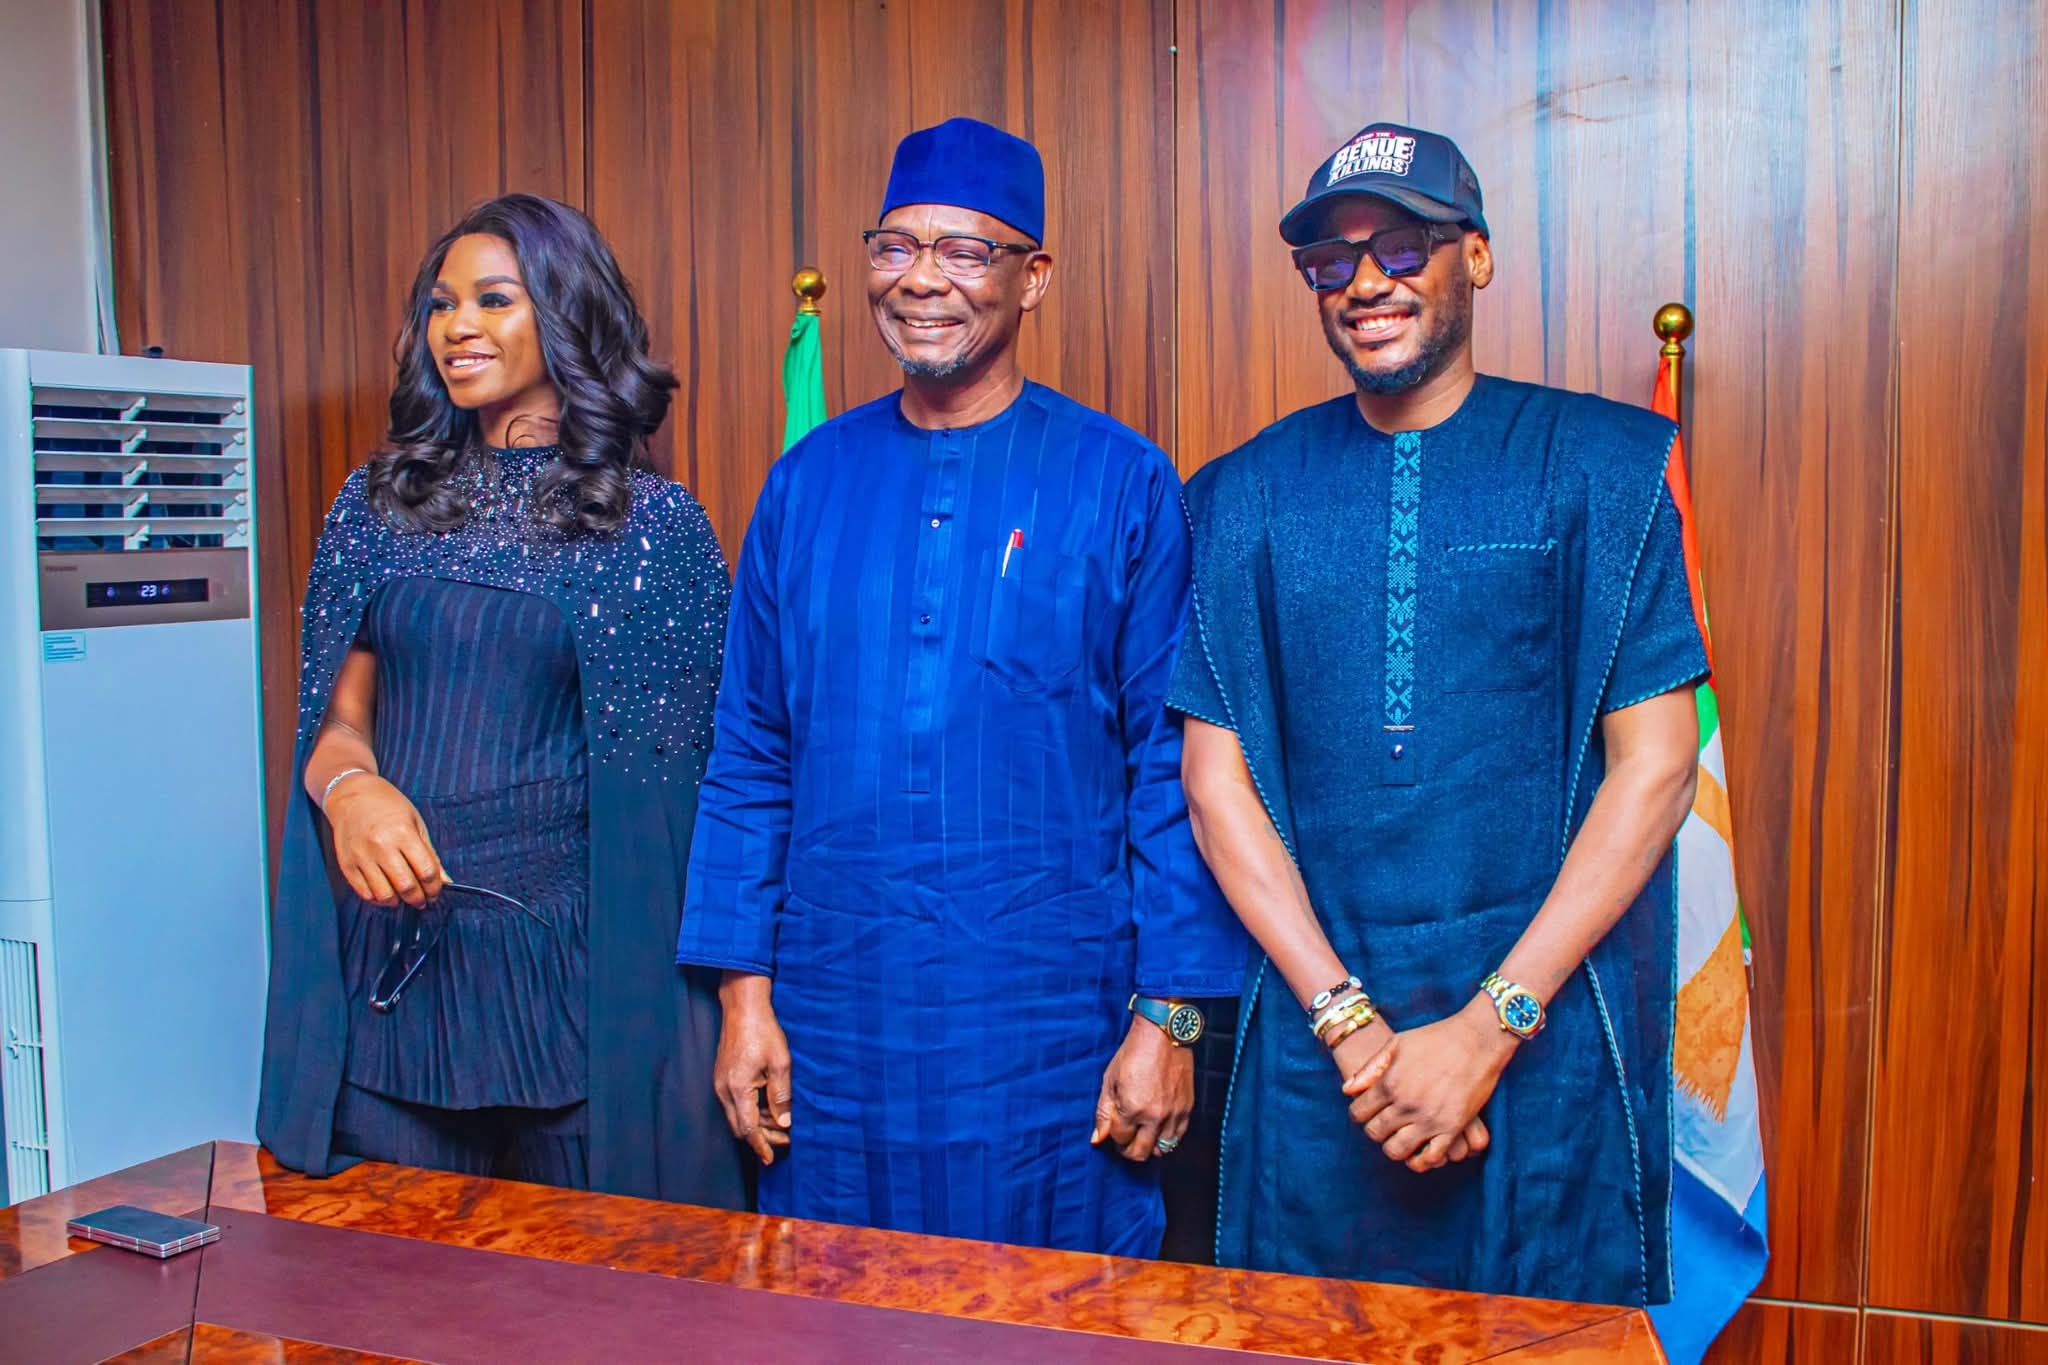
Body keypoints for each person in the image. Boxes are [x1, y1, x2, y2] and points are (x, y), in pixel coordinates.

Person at [678, 118, 1244, 1256]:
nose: (921, 279)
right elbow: (749, 754)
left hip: (1053, 1026)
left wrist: (1170, 1018)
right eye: (895, 247)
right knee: (833, 1303)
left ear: (1032, 278)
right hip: (834, 1022)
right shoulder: (805, 485)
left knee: (1058, 1310)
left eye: (965, 251)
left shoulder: (1121, 482)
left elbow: (1168, 770)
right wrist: (743, 1000)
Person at [1172, 122, 1707, 1305]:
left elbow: (1657, 766)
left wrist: (1487, 1026)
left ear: (1475, 256)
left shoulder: (1600, 466)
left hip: (1541, 1033)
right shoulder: (1239, 494)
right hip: (1320, 1047)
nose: (1363, 282)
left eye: (1401, 246)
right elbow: (1214, 787)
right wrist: (1351, 1027)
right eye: (1330, 259)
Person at [259, 193, 743, 1206]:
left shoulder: (653, 529)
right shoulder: (377, 505)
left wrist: (728, 1015)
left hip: (575, 1000)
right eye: (441, 304)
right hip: (399, 987)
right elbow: (334, 724)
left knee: (592, 1283)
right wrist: (350, 791)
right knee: (383, 1280)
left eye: (493, 299)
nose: (457, 327)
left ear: (565, 314)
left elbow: (686, 808)